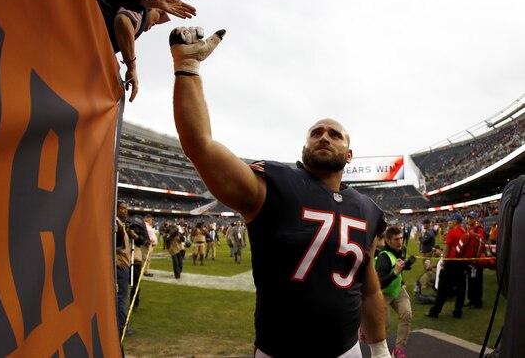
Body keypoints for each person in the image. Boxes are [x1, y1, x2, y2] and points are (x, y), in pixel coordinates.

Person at [168, 27, 390, 357]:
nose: (324, 137)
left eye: (334, 134)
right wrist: (188, 68)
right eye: (316, 133)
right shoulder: (273, 184)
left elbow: (368, 288)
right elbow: (201, 146)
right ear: (304, 147)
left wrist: (380, 347)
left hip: (348, 351)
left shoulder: (368, 209)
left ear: (349, 153)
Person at [376, 226, 412, 358]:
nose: (400, 241)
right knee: (385, 324)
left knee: (406, 314)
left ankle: (398, 350)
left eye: (401, 238)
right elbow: (380, 282)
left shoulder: (401, 250)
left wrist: (406, 265)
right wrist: (396, 272)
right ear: (388, 240)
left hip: (397, 289)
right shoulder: (383, 257)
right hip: (384, 291)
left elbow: (400, 265)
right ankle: (366, 330)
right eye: (396, 239)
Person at [426, 212, 468, 318]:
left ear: (456, 221)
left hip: (451, 263)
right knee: (461, 289)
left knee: (442, 289)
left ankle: (435, 311)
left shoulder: (452, 232)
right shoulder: (465, 231)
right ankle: (458, 311)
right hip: (462, 263)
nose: (449, 222)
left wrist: (443, 262)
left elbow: (447, 250)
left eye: (451, 220)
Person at [114, 201, 134, 336]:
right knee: (122, 298)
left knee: (120, 297)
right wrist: (114, 260)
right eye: (121, 208)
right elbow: (107, 243)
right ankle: (122, 328)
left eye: (126, 209)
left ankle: (119, 326)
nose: (125, 211)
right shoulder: (115, 224)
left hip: (123, 264)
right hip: (120, 266)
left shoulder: (119, 224)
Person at [466, 211, 485, 308]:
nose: (469, 219)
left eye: (471, 218)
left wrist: (476, 259)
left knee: (477, 281)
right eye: (468, 218)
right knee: (470, 281)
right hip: (470, 260)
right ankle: (471, 299)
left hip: (476, 260)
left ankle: (477, 302)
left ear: (475, 219)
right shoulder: (469, 229)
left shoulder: (479, 229)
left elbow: (480, 245)